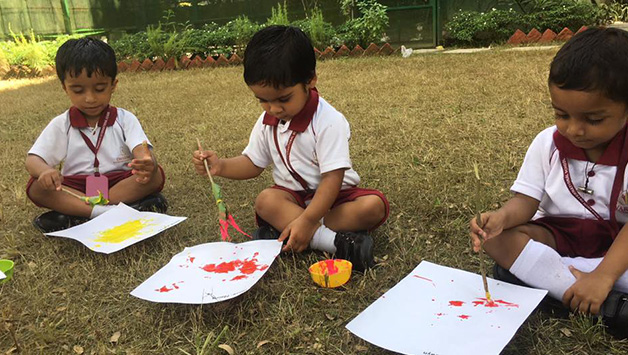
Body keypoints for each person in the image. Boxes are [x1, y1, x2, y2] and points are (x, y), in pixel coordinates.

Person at [469, 27, 628, 336]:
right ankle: (592, 298)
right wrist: (500, 218)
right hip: (559, 239)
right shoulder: (547, 143)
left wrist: (604, 275)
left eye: (593, 119)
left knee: (520, 267)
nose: (575, 130)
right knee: (499, 240)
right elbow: (526, 202)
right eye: (562, 115)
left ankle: (567, 288)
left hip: (618, 247)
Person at [193, 26, 389, 271]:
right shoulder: (267, 121)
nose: (273, 109)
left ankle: (286, 231)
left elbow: (332, 179)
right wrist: (220, 165)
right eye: (263, 100)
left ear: (310, 79)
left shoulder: (329, 121)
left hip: (335, 199)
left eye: (283, 99)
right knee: (266, 200)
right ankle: (335, 243)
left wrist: (307, 220)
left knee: (373, 206)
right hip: (292, 198)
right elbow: (253, 163)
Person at [26, 37, 167, 233]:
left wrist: (146, 162)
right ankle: (111, 212)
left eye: (100, 89)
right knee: (37, 187)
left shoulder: (124, 119)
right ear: (64, 87)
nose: (90, 98)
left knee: (155, 174)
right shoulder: (62, 124)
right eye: (78, 90)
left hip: (118, 183)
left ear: (113, 85)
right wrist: (44, 171)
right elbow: (33, 159)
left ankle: (78, 215)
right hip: (78, 188)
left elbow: (141, 149)